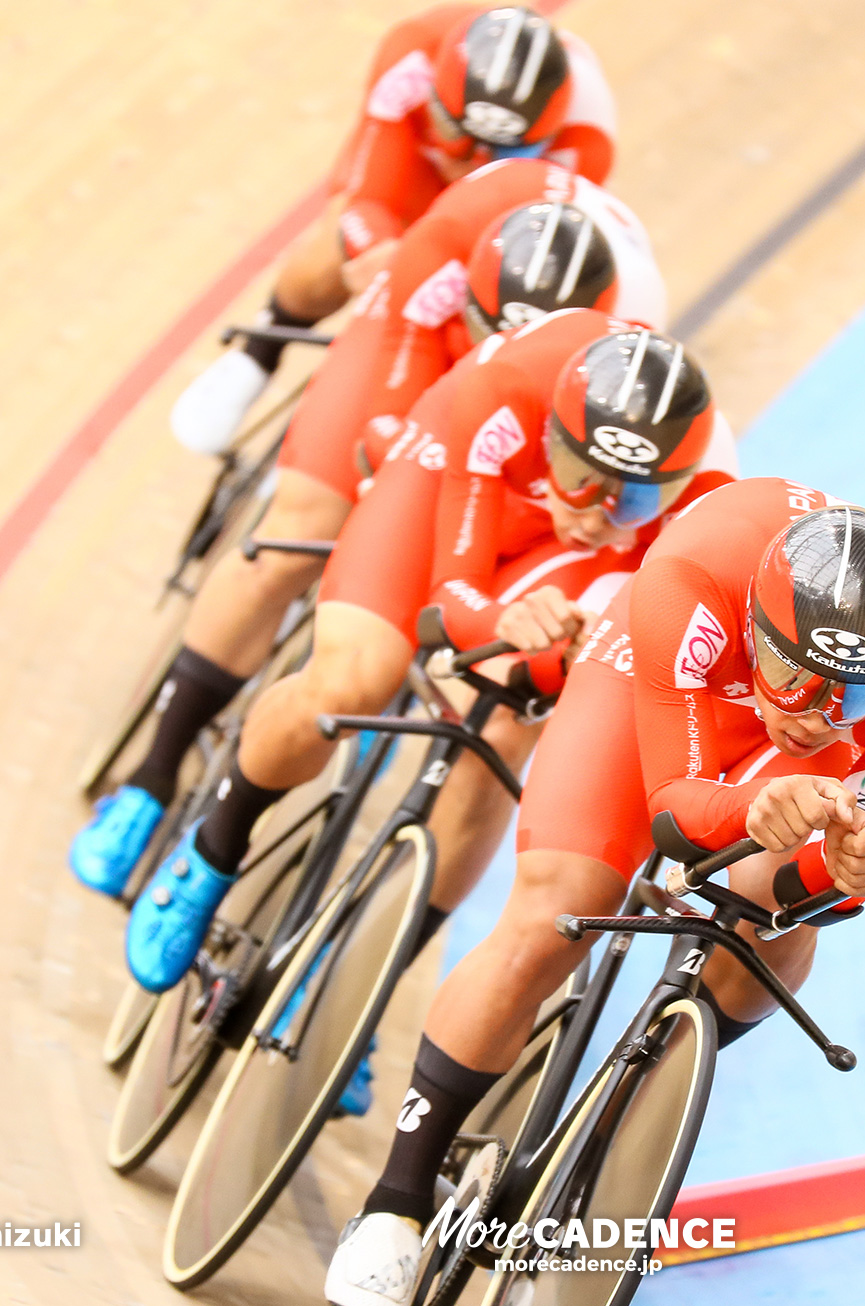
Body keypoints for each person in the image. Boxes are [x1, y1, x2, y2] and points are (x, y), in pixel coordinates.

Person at [322, 478, 865, 1304]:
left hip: (777, 757)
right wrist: (750, 805)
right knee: (554, 912)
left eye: (847, 693)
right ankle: (396, 1203)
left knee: (770, 923)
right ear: (755, 624)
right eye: (793, 671)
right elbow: (675, 810)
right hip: (661, 685)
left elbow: (827, 887)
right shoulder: (692, 579)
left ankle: (629, 1114)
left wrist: (843, 871)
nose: (811, 711)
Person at [71, 166, 662, 896]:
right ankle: (150, 778)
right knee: (300, 529)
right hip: (429, 349)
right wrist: (387, 455)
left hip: (541, 426)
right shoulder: (453, 237)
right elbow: (397, 384)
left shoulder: (626, 341)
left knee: (508, 694)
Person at [120, 314, 734, 1011]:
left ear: (675, 482)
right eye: (580, 476)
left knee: (505, 732)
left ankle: (352, 994)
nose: (595, 511)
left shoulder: (709, 497)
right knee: (350, 680)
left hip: (586, 566)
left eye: (633, 495)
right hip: (453, 480)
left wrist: (573, 645)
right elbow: (451, 593)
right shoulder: (506, 389)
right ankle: (211, 851)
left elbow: (641, 652)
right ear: (551, 437)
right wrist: (500, 616)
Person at [170, 6, 618, 454]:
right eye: (455, 132)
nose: (469, 157)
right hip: (414, 166)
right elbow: (367, 199)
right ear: (436, 92)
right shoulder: (413, 53)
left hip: (503, 207)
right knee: (343, 242)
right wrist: (383, 255)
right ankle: (259, 351)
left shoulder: (585, 147)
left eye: (495, 148)